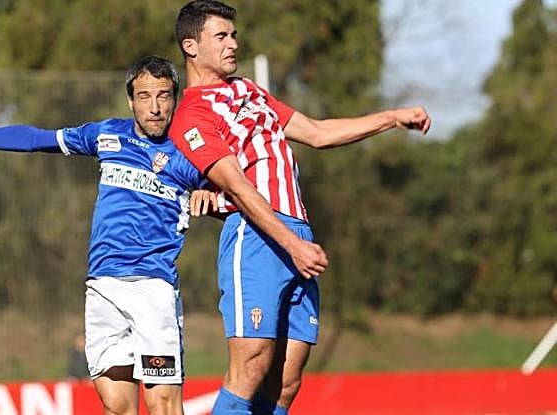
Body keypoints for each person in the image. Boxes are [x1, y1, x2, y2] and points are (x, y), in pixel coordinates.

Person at [170, 2, 432, 414]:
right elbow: (238, 187)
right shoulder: (192, 114)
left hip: (297, 232)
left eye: (233, 35)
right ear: (191, 46)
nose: (232, 43)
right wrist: (292, 245)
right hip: (257, 237)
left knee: (287, 380)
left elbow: (317, 132)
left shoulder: (249, 91)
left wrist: (392, 118)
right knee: (251, 366)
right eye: (220, 36)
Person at [0, 55, 217, 415]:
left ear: (175, 98)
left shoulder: (190, 151)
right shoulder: (107, 135)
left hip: (153, 289)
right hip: (102, 289)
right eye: (145, 96)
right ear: (130, 101)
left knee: (161, 403)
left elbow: (232, 192)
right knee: (117, 405)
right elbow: (35, 139)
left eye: (163, 96)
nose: (155, 107)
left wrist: (210, 191)